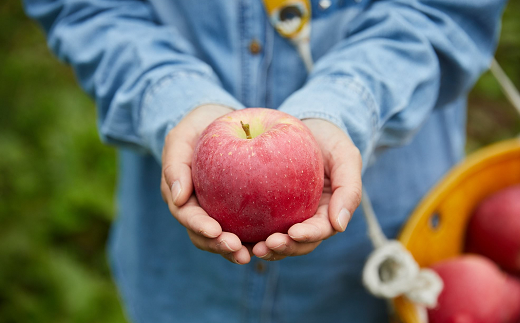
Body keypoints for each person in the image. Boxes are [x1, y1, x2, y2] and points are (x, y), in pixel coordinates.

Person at [24, 0, 507, 322]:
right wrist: (171, 98)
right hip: (183, 283)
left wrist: (348, 104)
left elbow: (448, 11)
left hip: (382, 255)